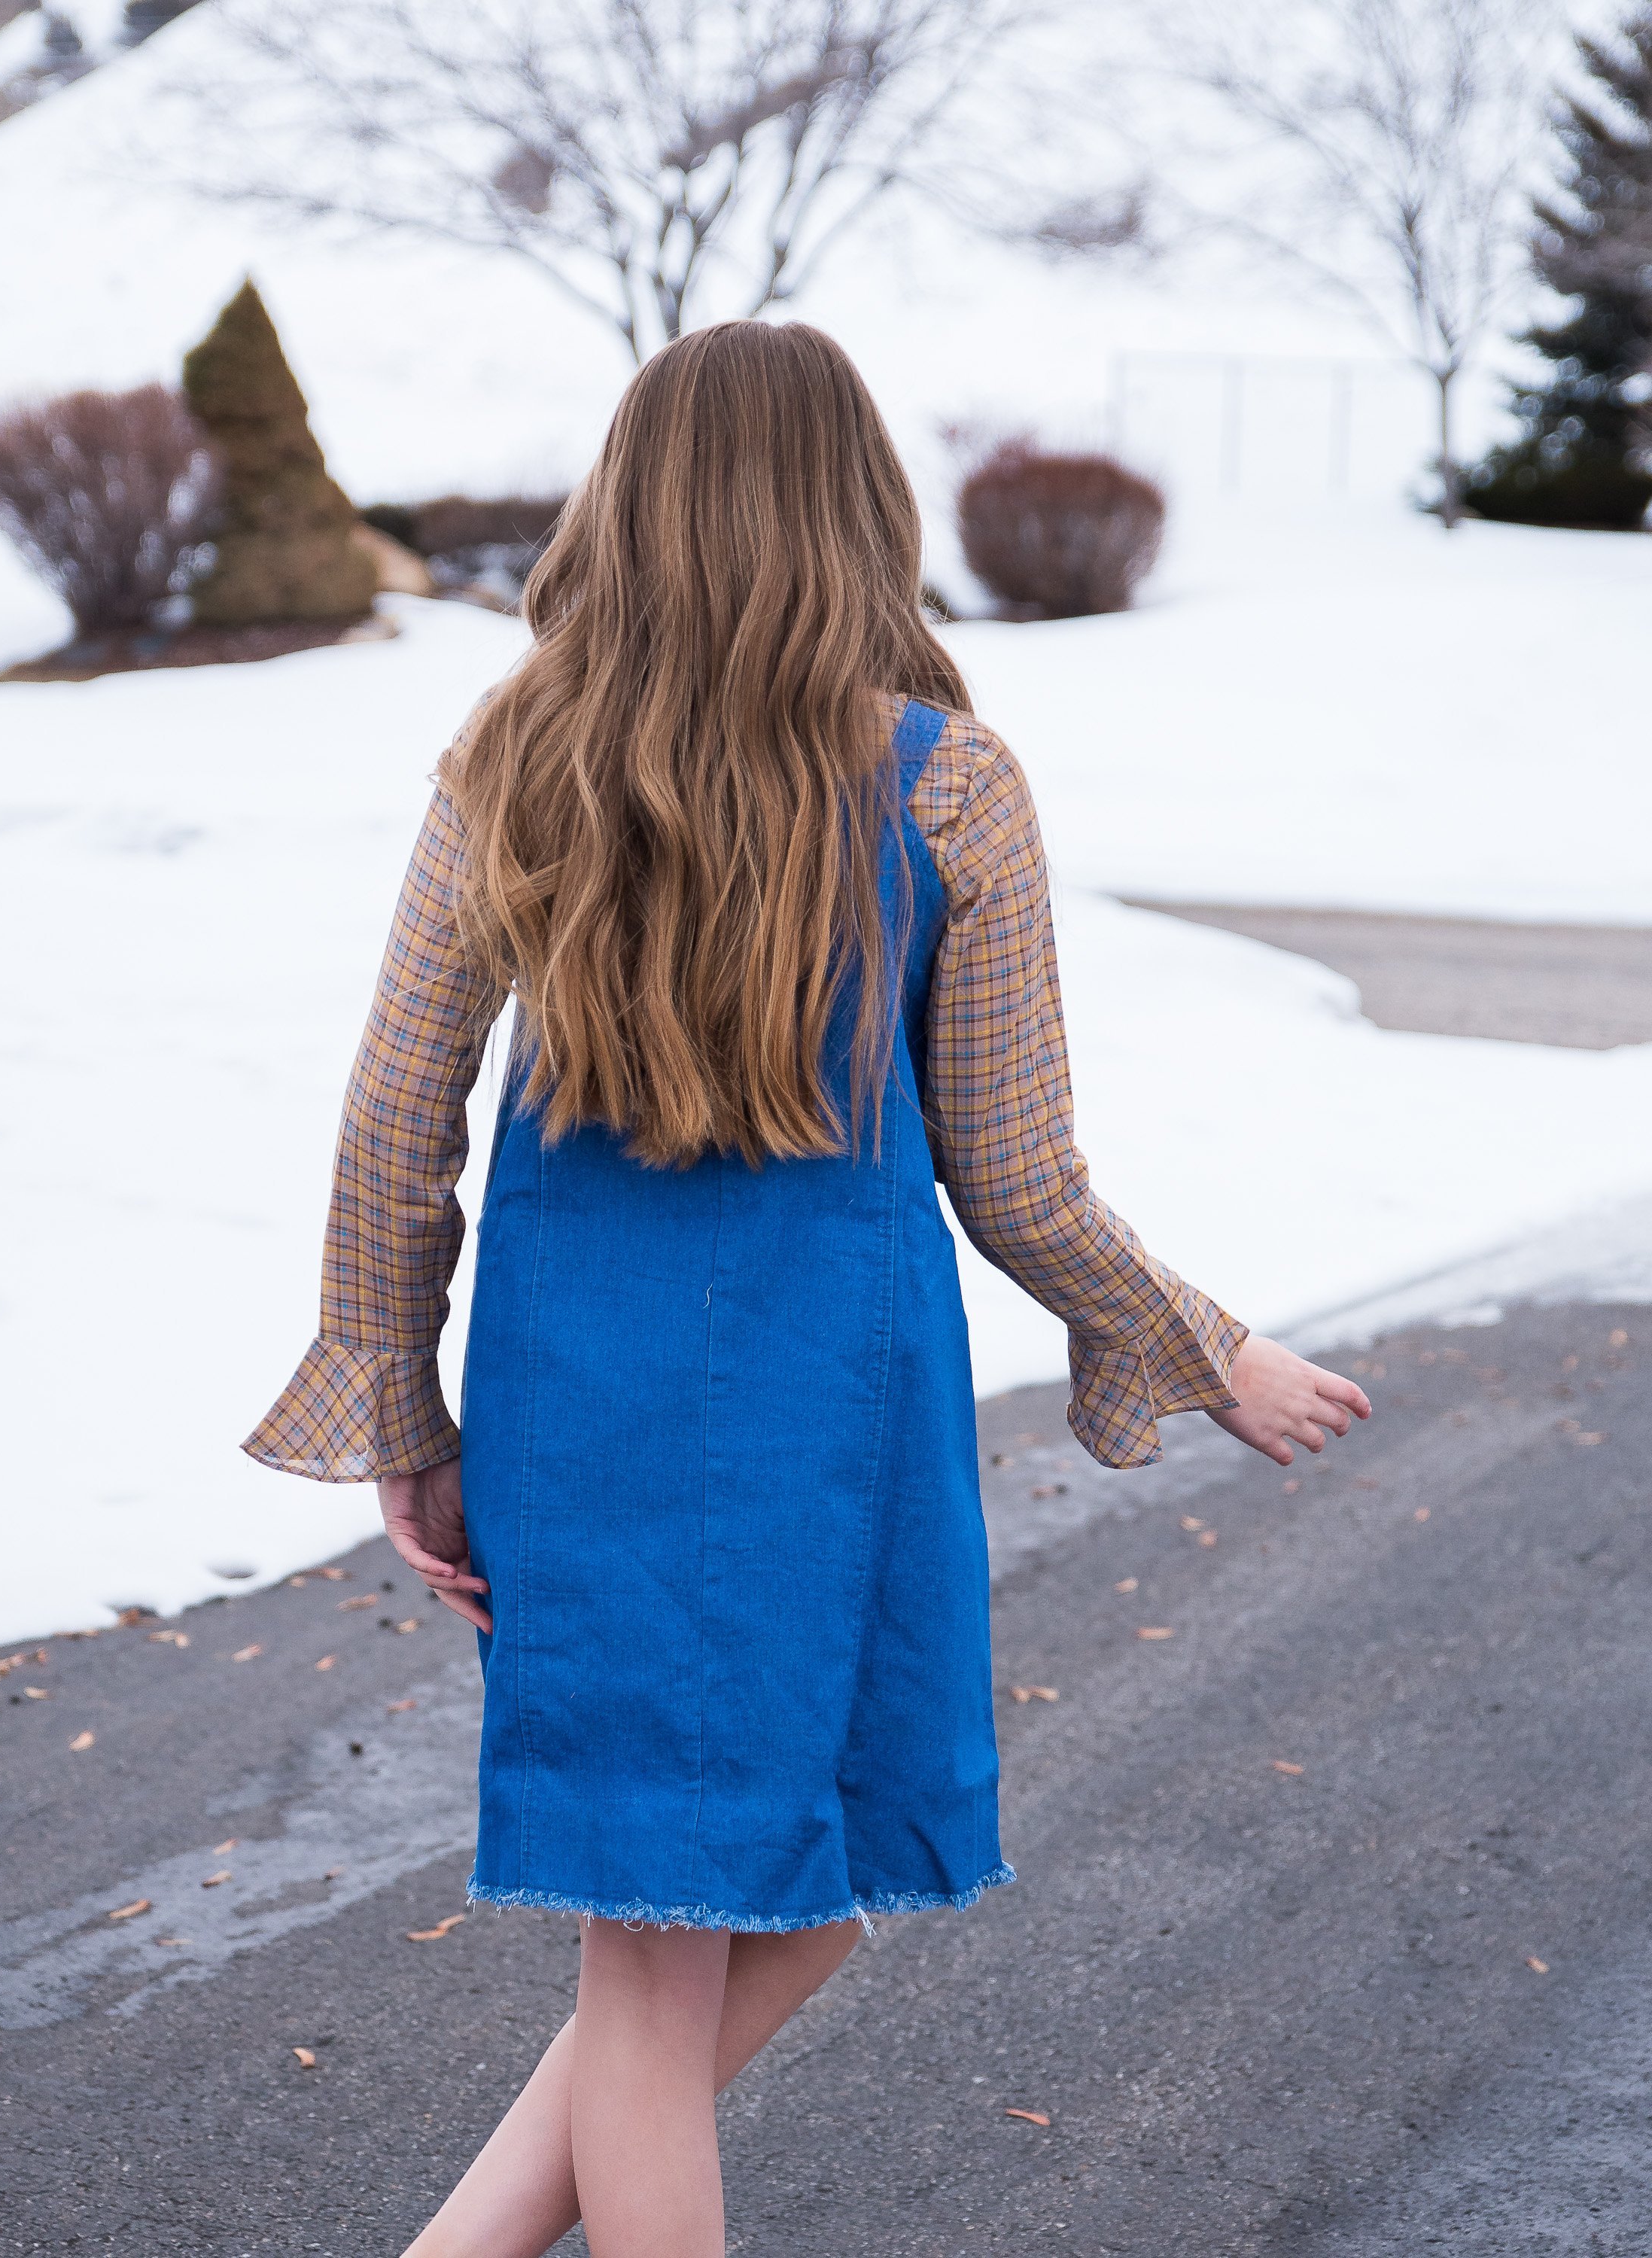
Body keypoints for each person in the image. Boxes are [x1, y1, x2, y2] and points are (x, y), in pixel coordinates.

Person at [244, 320, 1371, 2258]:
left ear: (632, 503)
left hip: (596, 1411)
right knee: (661, 1964)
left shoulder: (521, 761)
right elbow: (1015, 1171)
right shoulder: (948, 785)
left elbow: (389, 1125)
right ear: (862, 511)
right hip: (819, 1429)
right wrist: (1215, 1349)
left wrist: (408, 1411)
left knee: (786, 1885)